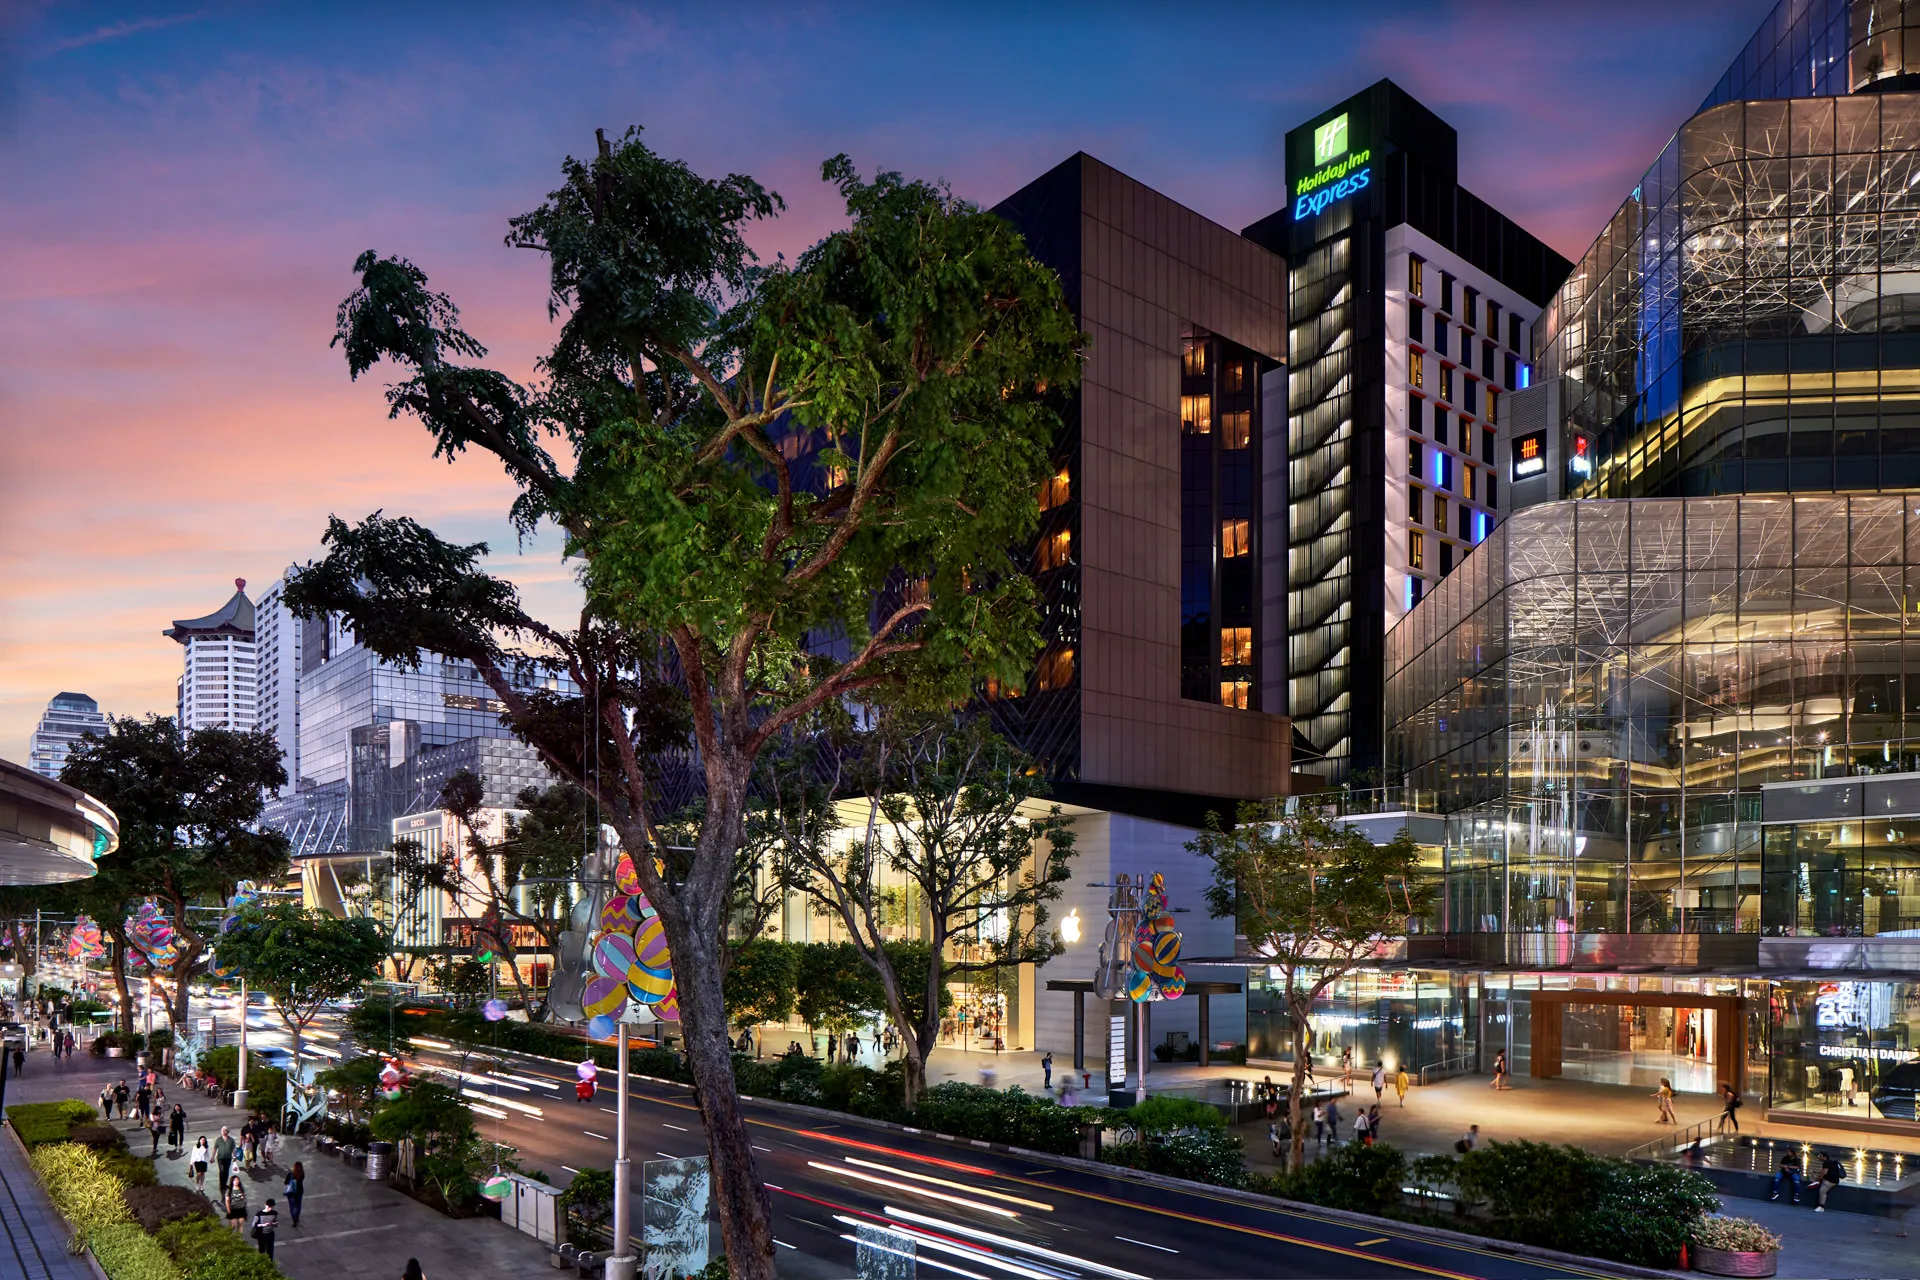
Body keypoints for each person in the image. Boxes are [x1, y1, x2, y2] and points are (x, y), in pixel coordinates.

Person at [214, 1125, 236, 1190]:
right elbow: (215, 1148)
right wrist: (212, 1157)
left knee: (226, 1171)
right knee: (222, 1170)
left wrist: (234, 1156)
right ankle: (221, 1184)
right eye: (222, 1130)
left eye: (225, 1130)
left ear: (228, 1132)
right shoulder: (218, 1140)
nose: (223, 1131)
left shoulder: (231, 1140)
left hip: (228, 1158)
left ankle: (224, 1184)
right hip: (220, 1158)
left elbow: (234, 1149)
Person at [285, 1161, 306, 1228]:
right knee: (298, 1206)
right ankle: (297, 1217)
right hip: (299, 1192)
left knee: (292, 1207)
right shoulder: (302, 1174)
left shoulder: (290, 1174)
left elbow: (286, 1182)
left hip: (291, 1193)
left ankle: (294, 1219)